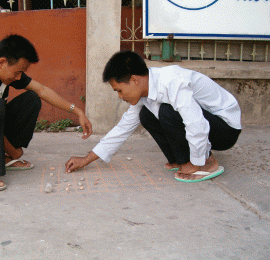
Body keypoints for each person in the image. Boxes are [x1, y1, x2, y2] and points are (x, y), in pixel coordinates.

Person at [0, 34, 92, 191]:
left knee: (32, 98)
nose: (19, 77)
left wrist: (78, 112)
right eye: (18, 72)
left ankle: (5, 158)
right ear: (2, 62)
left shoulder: (5, 72)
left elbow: (41, 90)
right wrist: (14, 151)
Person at [65, 50, 242, 182]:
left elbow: (197, 124)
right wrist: (86, 160)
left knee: (167, 112)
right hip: (208, 124)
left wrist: (197, 162)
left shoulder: (172, 81)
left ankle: (206, 162)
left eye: (119, 90)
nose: (120, 96)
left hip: (226, 128)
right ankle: (179, 159)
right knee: (146, 115)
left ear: (134, 80)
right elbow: (123, 128)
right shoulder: (145, 93)